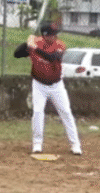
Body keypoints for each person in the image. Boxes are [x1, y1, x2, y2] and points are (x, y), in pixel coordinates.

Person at [14, 21, 82, 156]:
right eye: (51, 35)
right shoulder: (36, 42)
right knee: (38, 112)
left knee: (66, 112)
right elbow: (17, 54)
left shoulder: (59, 45)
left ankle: (75, 144)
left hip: (57, 85)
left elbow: (52, 58)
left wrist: (35, 48)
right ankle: (37, 143)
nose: (54, 37)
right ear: (44, 35)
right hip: (39, 84)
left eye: (55, 34)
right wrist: (26, 43)